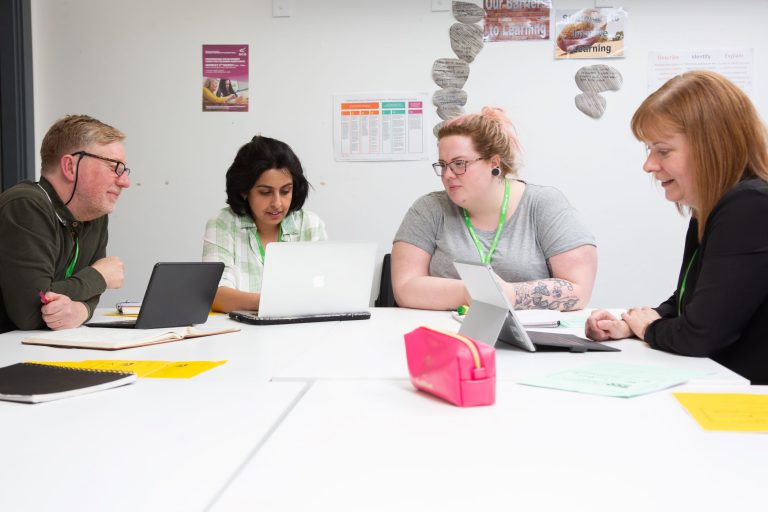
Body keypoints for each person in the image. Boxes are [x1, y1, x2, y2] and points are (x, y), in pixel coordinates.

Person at [585, 70, 768, 384]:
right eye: (649, 150)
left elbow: (700, 334)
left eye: (663, 151)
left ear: (713, 146)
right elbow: (693, 301)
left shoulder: (749, 207)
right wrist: (632, 324)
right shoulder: (715, 208)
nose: (649, 165)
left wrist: (649, 329)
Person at [392, 107, 597, 311]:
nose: (448, 174)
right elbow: (404, 288)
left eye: (459, 163)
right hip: (447, 335)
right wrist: (469, 291)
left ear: (494, 163)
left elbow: (579, 290)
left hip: (530, 337)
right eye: (443, 165)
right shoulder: (429, 209)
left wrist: (508, 294)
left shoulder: (544, 204)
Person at [0, 114, 130, 333]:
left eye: (124, 170)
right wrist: (99, 276)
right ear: (70, 166)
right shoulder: (25, 205)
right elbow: (30, 313)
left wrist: (82, 310)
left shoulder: (95, 214)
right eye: (113, 167)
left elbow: (90, 294)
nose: (124, 181)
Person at [202, 136, 327, 312]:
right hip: (240, 334)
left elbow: (324, 290)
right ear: (245, 191)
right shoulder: (223, 224)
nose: (277, 203)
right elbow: (215, 294)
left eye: (285, 191)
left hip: (300, 331)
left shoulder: (309, 224)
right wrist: (274, 303)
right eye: (265, 192)